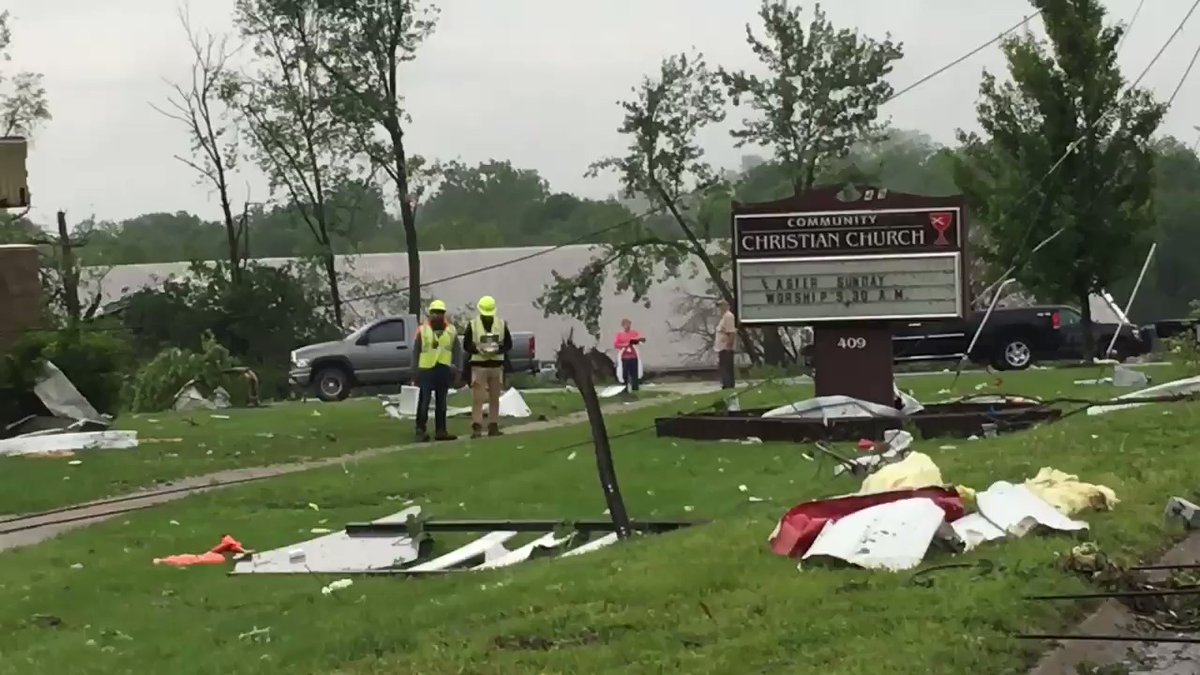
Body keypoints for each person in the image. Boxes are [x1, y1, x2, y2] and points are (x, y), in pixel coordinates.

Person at [462, 294, 513, 438]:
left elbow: (508, 344)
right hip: (479, 365)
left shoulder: (501, 324)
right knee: (478, 398)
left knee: (494, 398)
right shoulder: (473, 325)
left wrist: (498, 349)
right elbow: (466, 345)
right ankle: (477, 427)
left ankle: (493, 426)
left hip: (496, 365)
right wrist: (478, 349)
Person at [411, 299, 460, 443]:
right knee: (424, 401)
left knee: (441, 402)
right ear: (430, 314)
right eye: (434, 313)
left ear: (444, 314)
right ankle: (420, 429)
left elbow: (457, 351)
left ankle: (441, 430)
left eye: (440, 313)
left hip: (443, 369)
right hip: (426, 369)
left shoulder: (451, 330)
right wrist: (414, 372)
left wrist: (458, 369)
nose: (437, 315)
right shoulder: (422, 330)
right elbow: (416, 351)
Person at [613, 318, 644, 392]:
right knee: (625, 373)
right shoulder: (620, 334)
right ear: (623, 325)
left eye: (629, 324)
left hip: (633, 356)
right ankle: (624, 388)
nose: (628, 326)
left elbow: (640, 340)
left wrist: (635, 341)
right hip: (625, 357)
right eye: (626, 324)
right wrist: (625, 345)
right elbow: (616, 344)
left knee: (634, 373)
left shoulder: (634, 333)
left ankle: (635, 388)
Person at [715, 299, 737, 389]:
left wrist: (729, 345)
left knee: (726, 367)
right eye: (719, 306)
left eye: (721, 305)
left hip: (726, 347)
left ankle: (728, 385)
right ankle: (726, 384)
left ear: (726, 306)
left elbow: (731, 332)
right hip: (721, 347)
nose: (720, 308)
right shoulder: (724, 317)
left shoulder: (728, 316)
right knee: (724, 367)